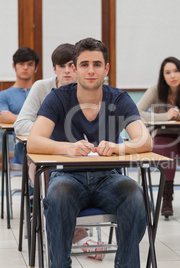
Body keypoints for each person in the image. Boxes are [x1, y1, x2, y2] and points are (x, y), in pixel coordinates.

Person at [27, 37, 152, 268]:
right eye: (84, 64)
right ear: (74, 69)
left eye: (97, 64)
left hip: (108, 178)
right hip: (67, 177)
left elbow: (145, 140)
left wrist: (118, 147)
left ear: (106, 69)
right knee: (58, 196)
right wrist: (68, 148)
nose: (91, 71)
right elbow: (33, 142)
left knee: (136, 195)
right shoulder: (58, 97)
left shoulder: (119, 98)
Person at [15, 43, 106, 260]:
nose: (66, 71)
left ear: (77, 67)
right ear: (54, 69)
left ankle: (68, 231)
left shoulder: (91, 87)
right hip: (47, 155)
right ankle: (76, 234)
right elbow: (21, 124)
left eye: (70, 66)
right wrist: (52, 134)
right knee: (45, 174)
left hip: (83, 157)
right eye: (60, 66)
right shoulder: (41, 88)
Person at [137, 56, 180, 218]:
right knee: (166, 153)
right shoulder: (155, 90)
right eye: (168, 72)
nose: (173, 75)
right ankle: (166, 198)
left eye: (176, 71)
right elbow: (138, 112)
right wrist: (166, 116)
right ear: (163, 76)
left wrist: (179, 117)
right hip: (163, 134)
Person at [0, 46, 40, 164]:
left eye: (30, 64)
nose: (25, 67)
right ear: (14, 66)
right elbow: (3, 117)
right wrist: (39, 120)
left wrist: (14, 117)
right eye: (21, 64)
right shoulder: (4, 95)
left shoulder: (42, 91)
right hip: (20, 146)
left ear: (36, 68)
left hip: (44, 142)